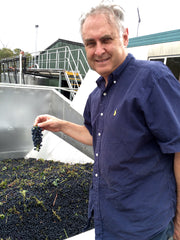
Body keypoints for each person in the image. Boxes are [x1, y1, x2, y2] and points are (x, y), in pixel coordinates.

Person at [34, 2, 180, 240]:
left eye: (106, 40)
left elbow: (178, 148)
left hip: (146, 228)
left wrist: (179, 222)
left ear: (124, 37)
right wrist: (60, 125)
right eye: (90, 43)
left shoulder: (152, 79)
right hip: (109, 221)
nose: (98, 50)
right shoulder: (96, 95)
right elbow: (97, 136)